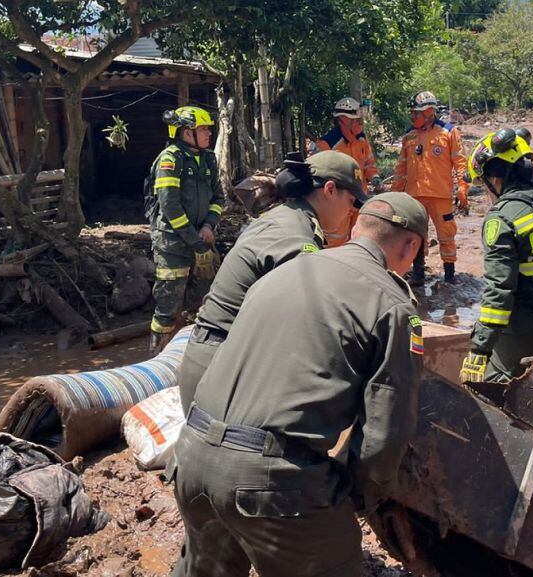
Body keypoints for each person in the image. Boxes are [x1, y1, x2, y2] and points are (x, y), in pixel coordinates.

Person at [171, 192, 427, 577]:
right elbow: (384, 432)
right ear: (411, 247)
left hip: (191, 456)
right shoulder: (393, 306)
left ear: (356, 229)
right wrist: (357, 496)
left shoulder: (285, 271)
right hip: (270, 481)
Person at [178, 150, 367, 413]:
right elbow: (314, 318)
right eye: (351, 201)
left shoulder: (286, 218)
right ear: (330, 190)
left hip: (220, 359)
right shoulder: (293, 235)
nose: (351, 211)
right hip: (220, 371)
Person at [459, 129, 533, 383]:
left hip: (529, 326)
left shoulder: (501, 218)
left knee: (487, 383)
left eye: (483, 183)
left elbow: (499, 291)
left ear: (494, 178)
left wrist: (479, 349)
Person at [147, 106, 227, 350]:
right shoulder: (170, 159)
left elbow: (219, 198)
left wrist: (208, 226)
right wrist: (196, 240)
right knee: (168, 307)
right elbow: (169, 206)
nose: (209, 133)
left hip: (202, 241)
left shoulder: (208, 159)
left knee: (202, 303)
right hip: (173, 244)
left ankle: (193, 354)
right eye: (203, 129)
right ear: (186, 132)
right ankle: (157, 356)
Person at [392, 90, 468, 284]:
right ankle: (418, 274)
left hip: (440, 195)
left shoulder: (448, 132)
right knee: (415, 235)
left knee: (446, 234)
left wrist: (463, 188)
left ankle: (449, 275)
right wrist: (394, 194)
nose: (412, 116)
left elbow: (460, 163)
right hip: (414, 197)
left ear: (429, 111)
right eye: (412, 112)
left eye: (415, 112)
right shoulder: (409, 135)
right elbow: (401, 168)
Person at [315, 97, 379, 246]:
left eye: (360, 120)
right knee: (336, 240)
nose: (360, 124)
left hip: (359, 198)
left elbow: (369, 163)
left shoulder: (361, 140)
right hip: (338, 203)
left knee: (360, 239)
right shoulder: (327, 144)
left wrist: (374, 177)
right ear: (343, 121)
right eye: (356, 121)